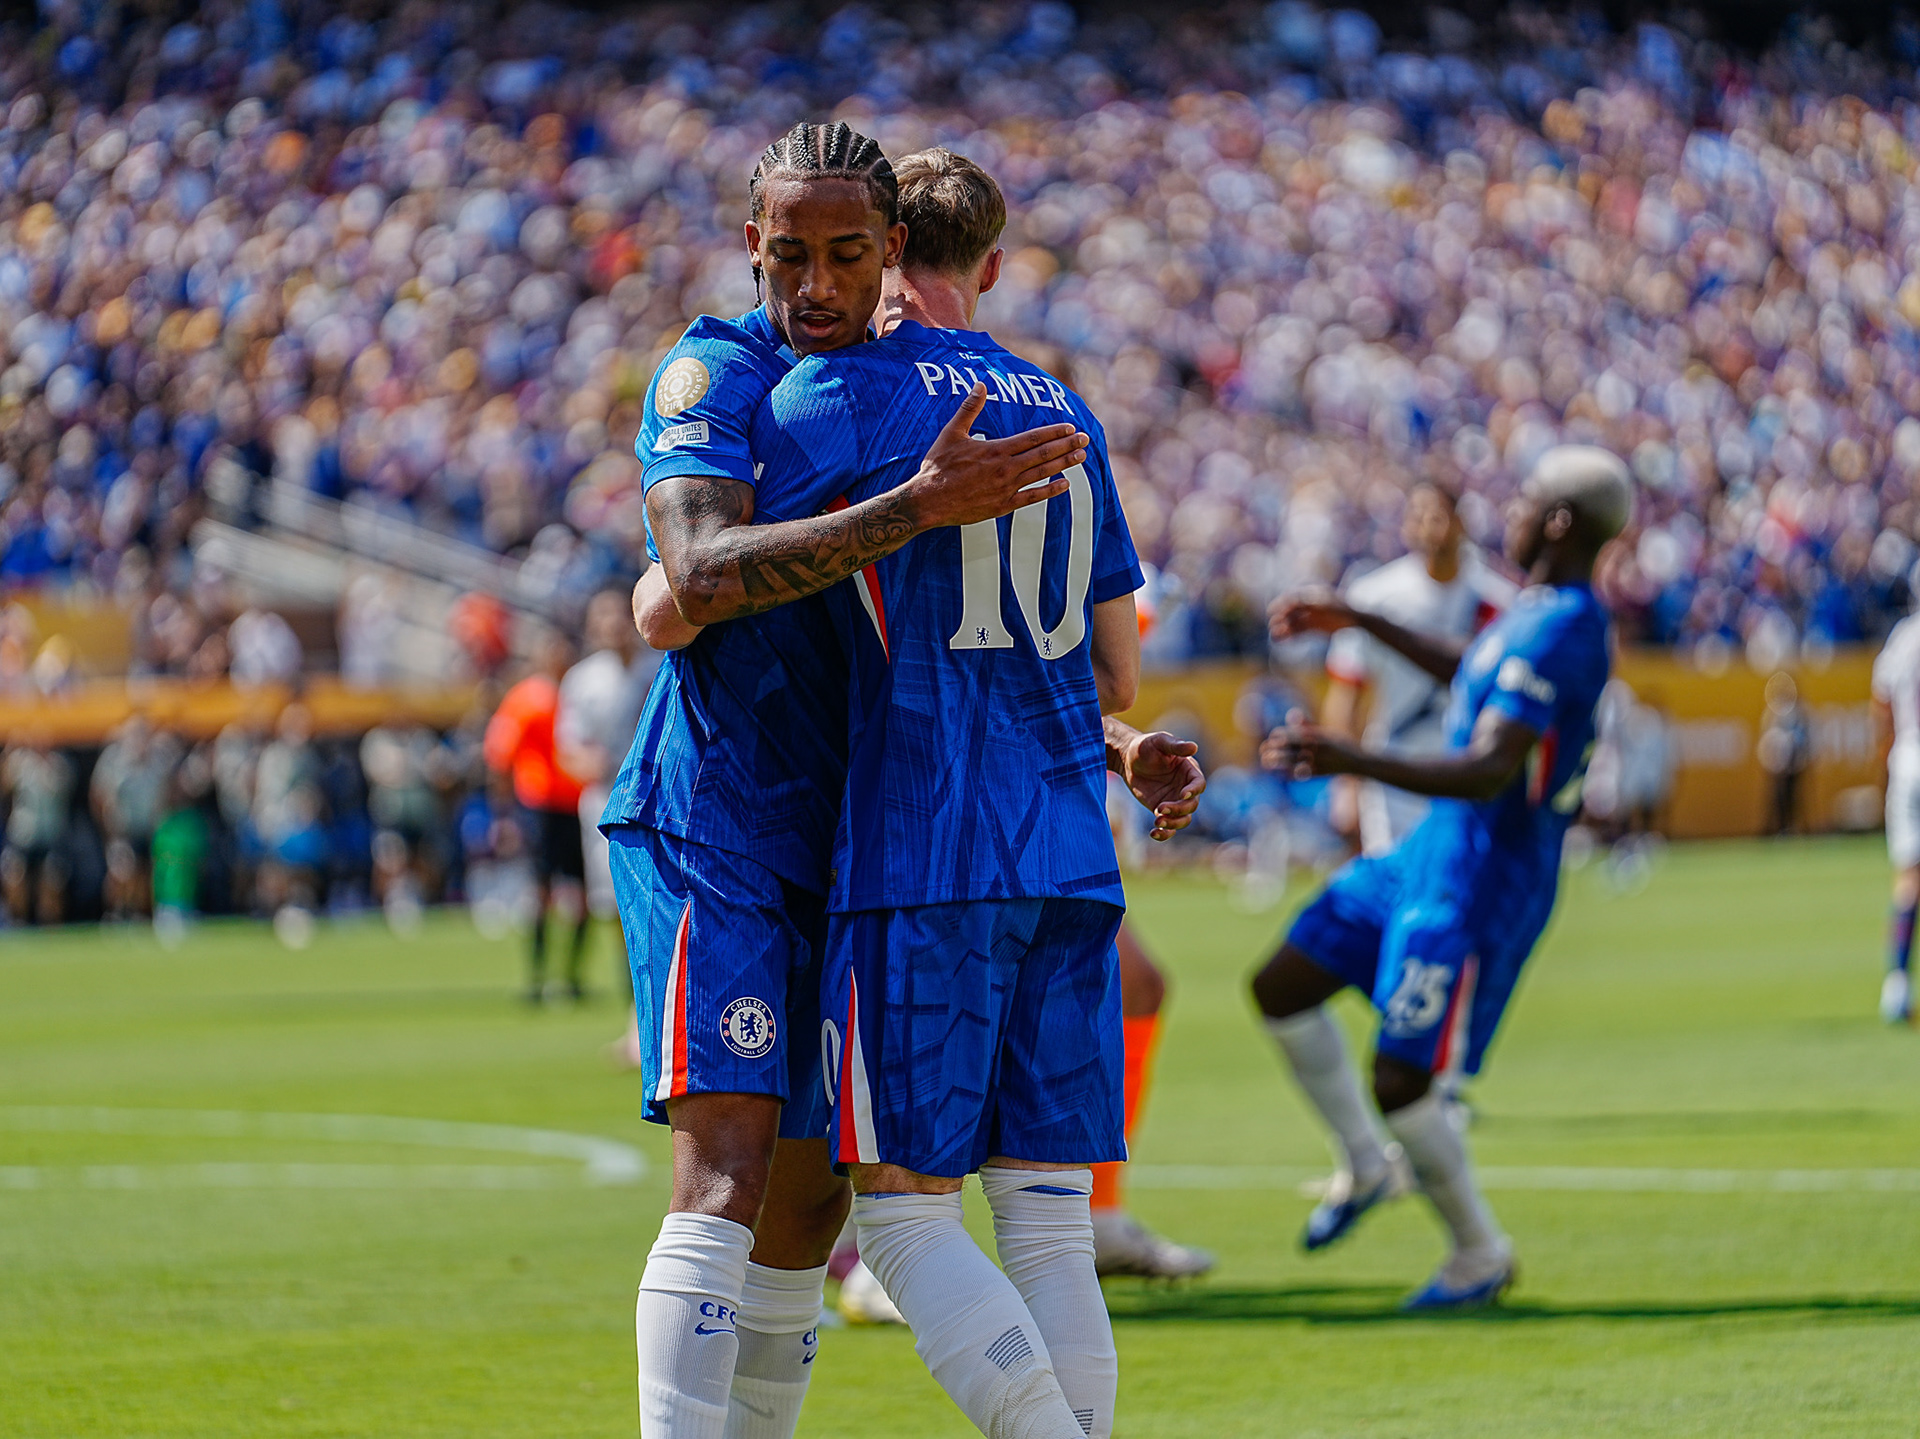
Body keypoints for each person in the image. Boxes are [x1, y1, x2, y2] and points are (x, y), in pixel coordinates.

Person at [607, 122, 1097, 1439]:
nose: (812, 287)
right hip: (720, 812)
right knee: (728, 1161)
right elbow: (695, 576)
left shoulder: (902, 389)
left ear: (888, 256)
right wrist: (911, 510)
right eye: (788, 258)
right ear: (750, 251)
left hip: (867, 830)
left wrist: (1107, 740)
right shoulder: (714, 370)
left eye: (842, 256)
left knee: (817, 1191)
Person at [732, 144, 1164, 1439]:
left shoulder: (839, 395)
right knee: (1050, 1228)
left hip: (922, 847)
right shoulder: (1064, 411)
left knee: (906, 1209)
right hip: (1069, 852)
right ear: (988, 263)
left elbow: (714, 569)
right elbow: (1118, 666)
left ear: (876, 250)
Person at [1254, 445, 1629, 1310]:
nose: (1516, 511)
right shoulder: (1531, 608)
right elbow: (1468, 671)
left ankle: (1478, 1253)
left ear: (1561, 522)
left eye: (1531, 500)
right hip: (1424, 858)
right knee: (1281, 983)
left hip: (1480, 883)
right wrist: (1357, 617)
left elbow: (1493, 767)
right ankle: (1364, 1164)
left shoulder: (1568, 624)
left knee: (1403, 1078)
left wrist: (1346, 755)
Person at [1312, 481, 1516, 857]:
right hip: (1395, 769)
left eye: (1438, 515)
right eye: (1417, 515)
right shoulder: (1373, 597)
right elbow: (1347, 695)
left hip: (1469, 770)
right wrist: (1347, 784)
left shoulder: (1496, 599)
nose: (1428, 526)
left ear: (1461, 522)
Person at [555, 586, 660, 1060]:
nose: (613, 624)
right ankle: (638, 1018)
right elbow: (568, 749)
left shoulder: (659, 664)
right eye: (603, 616)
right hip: (604, 806)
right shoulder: (582, 681)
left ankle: (661, 1018)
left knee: (661, 905)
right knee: (617, 912)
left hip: (659, 802)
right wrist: (592, 763)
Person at [484, 632, 589, 1002]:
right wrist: (503, 813)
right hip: (540, 805)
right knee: (541, 891)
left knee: (583, 893)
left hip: (578, 804)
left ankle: (572, 977)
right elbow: (499, 756)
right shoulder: (528, 699)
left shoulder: (579, 693)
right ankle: (538, 977)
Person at [1872, 611, 1920, 1023]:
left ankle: (1898, 984)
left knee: (1908, 877)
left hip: (1908, 760)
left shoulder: (1904, 636)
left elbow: (1881, 702)